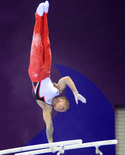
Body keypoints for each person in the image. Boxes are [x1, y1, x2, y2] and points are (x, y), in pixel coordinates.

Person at [28, 0, 86, 143]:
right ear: (62, 100)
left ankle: (38, 15)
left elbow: (49, 125)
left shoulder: (46, 107)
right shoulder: (57, 90)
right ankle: (45, 13)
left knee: (37, 43)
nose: (62, 110)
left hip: (35, 75)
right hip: (46, 72)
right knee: (46, 42)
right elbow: (66, 78)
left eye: (63, 110)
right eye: (64, 108)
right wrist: (76, 93)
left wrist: (51, 144)